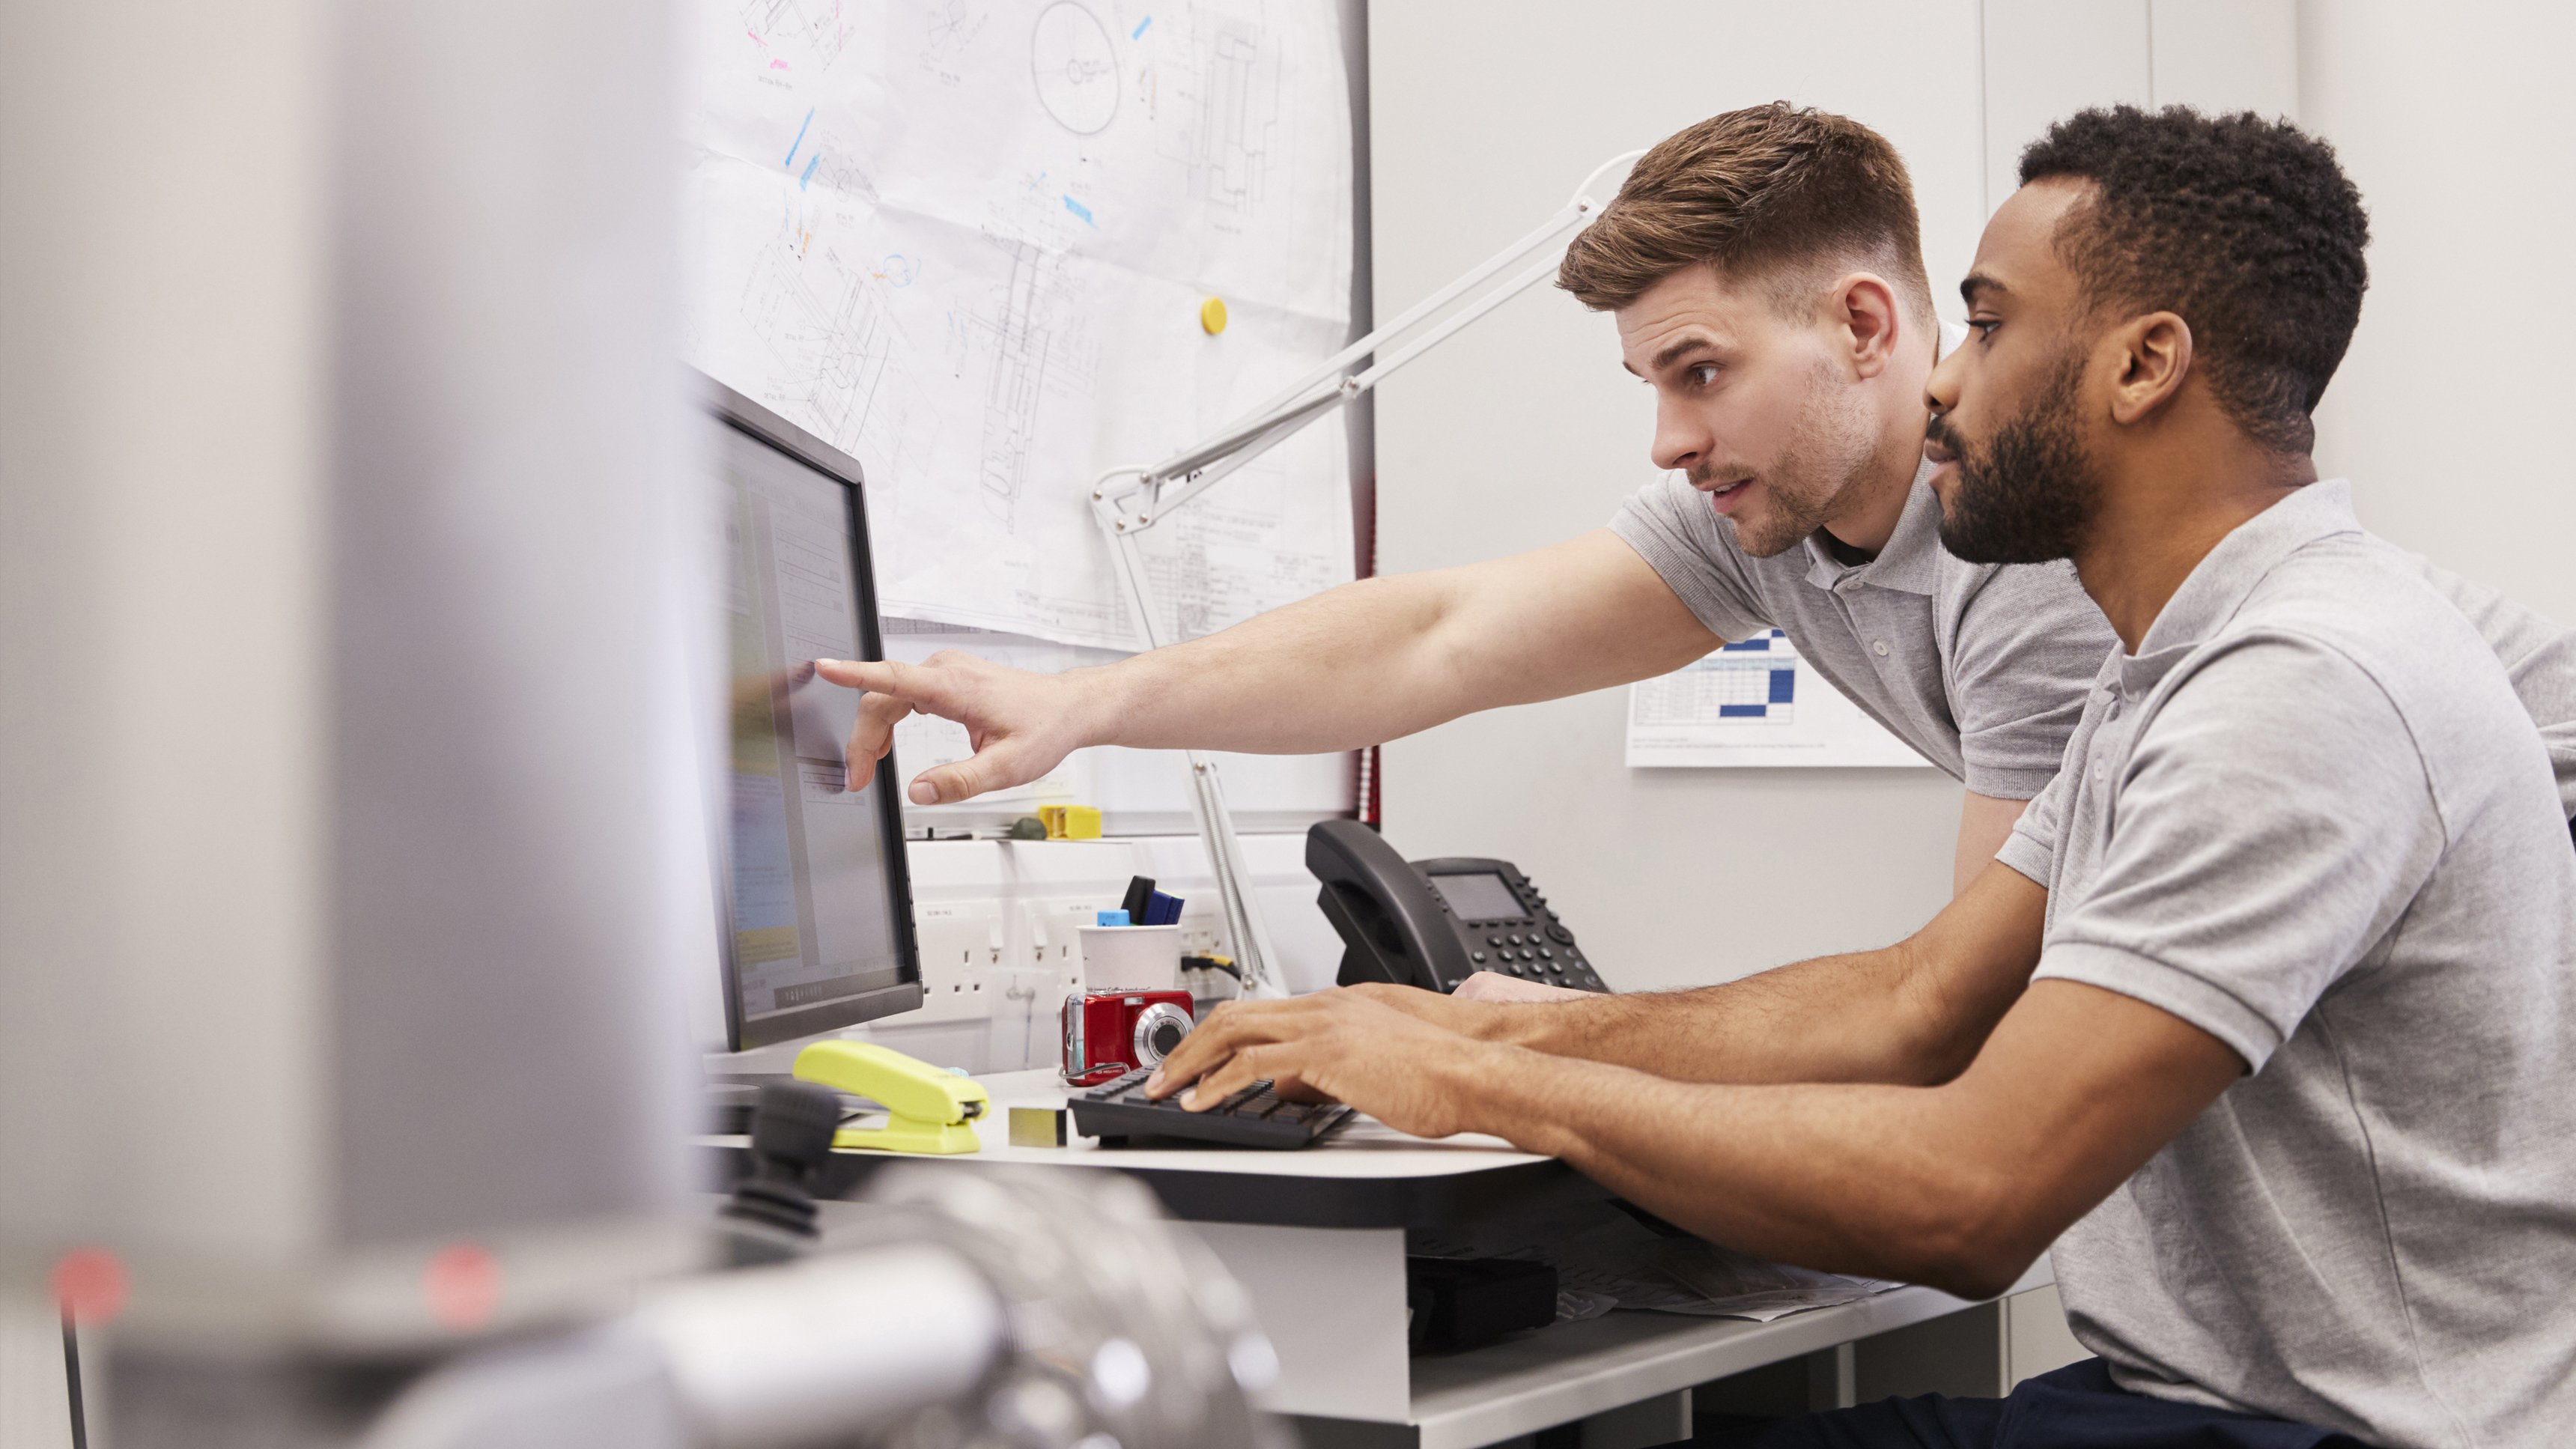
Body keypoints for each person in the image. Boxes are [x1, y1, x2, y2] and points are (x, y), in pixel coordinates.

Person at [1147, 108, 2576, 1445]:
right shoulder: (2171, 668)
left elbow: (1973, 1195)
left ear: (2145, 365)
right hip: (2209, 1395)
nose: (1945, 378)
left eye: (1990, 323)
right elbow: (1918, 999)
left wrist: (1485, 1085)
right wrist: (1493, 1039)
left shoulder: (2292, 690)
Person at [814, 106, 2576, 962]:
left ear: (1870, 330)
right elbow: (1435, 638)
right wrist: (1087, 701)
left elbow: (1950, 1012)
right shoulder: (1765, 516)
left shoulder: (2033, 556)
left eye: (1702, 371)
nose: (1668, 436)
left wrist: (1524, 1068)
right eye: (1651, 379)